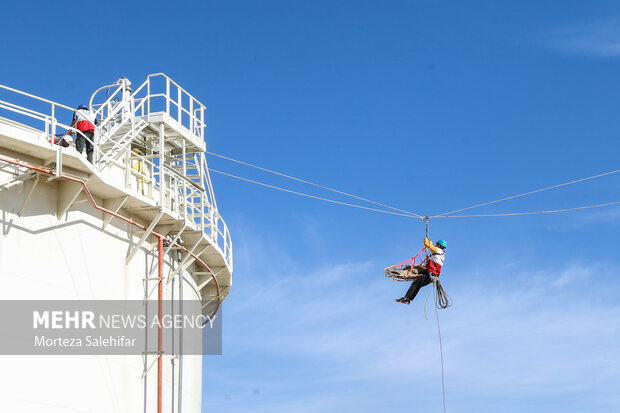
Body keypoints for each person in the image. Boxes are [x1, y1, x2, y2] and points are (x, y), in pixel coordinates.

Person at [395, 237, 447, 305]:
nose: (436, 245)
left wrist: (427, 240)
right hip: (430, 274)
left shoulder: (439, 250)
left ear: (439, 245)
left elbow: (429, 246)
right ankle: (407, 299)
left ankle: (407, 299)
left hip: (430, 275)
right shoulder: (440, 253)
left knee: (415, 284)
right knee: (417, 284)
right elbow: (432, 251)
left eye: (437, 244)